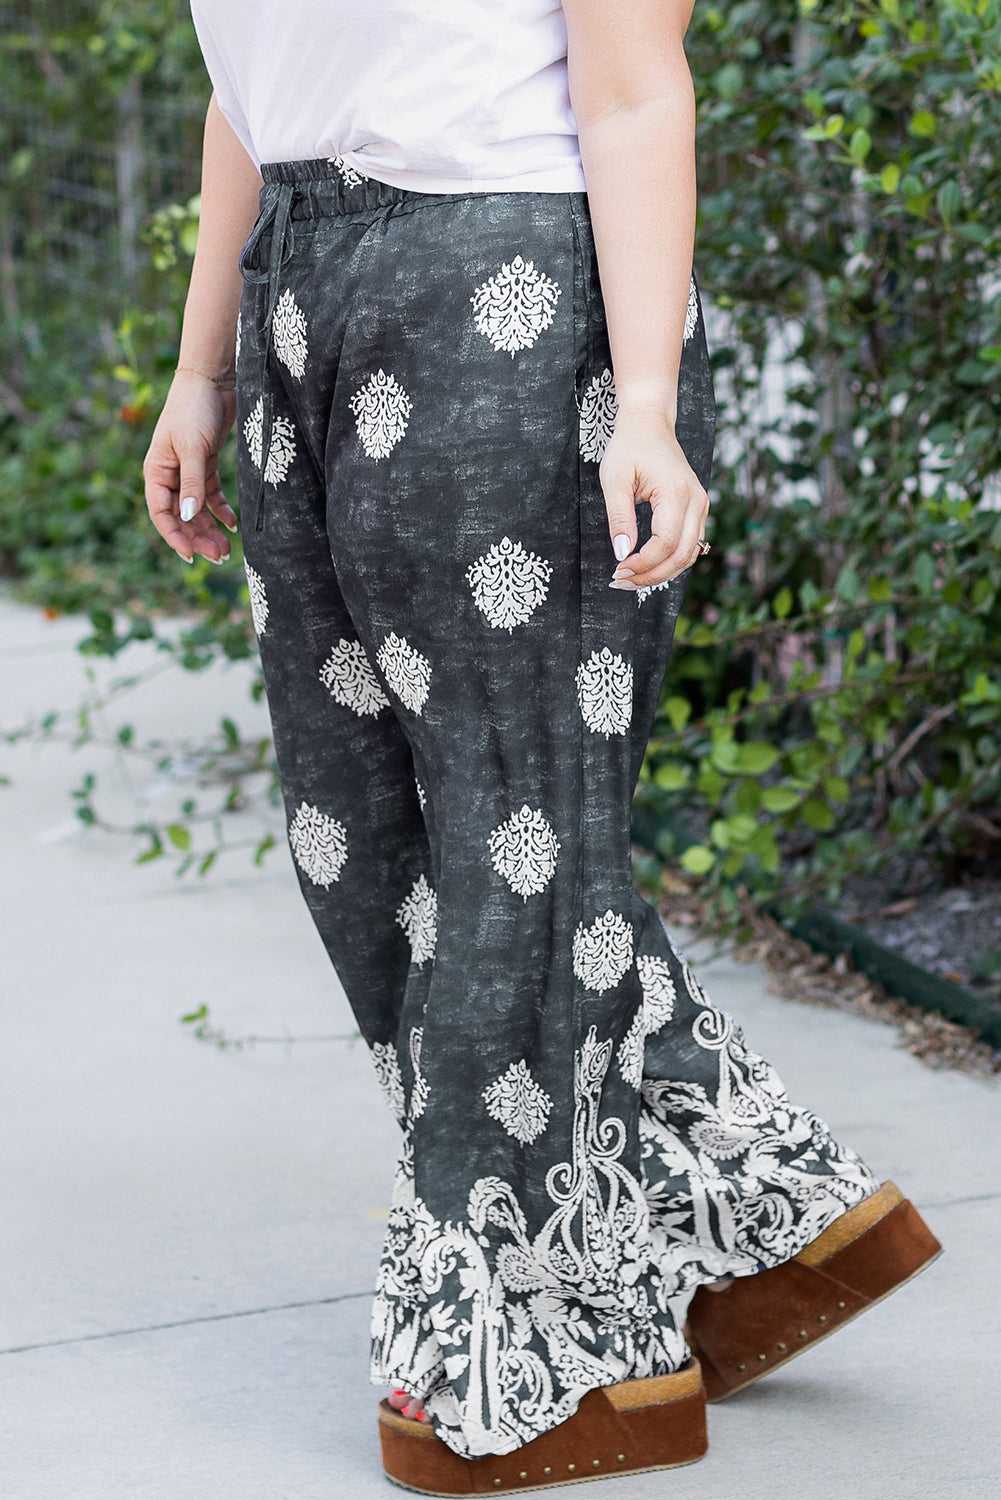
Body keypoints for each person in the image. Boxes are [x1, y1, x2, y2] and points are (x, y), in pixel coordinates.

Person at [144, 2, 941, 1492]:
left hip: (508, 287)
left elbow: (638, 93)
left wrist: (642, 403)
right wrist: (201, 366)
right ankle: (745, 1225)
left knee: (516, 829)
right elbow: (247, 95)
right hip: (296, 290)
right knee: (356, 831)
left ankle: (548, 1339)